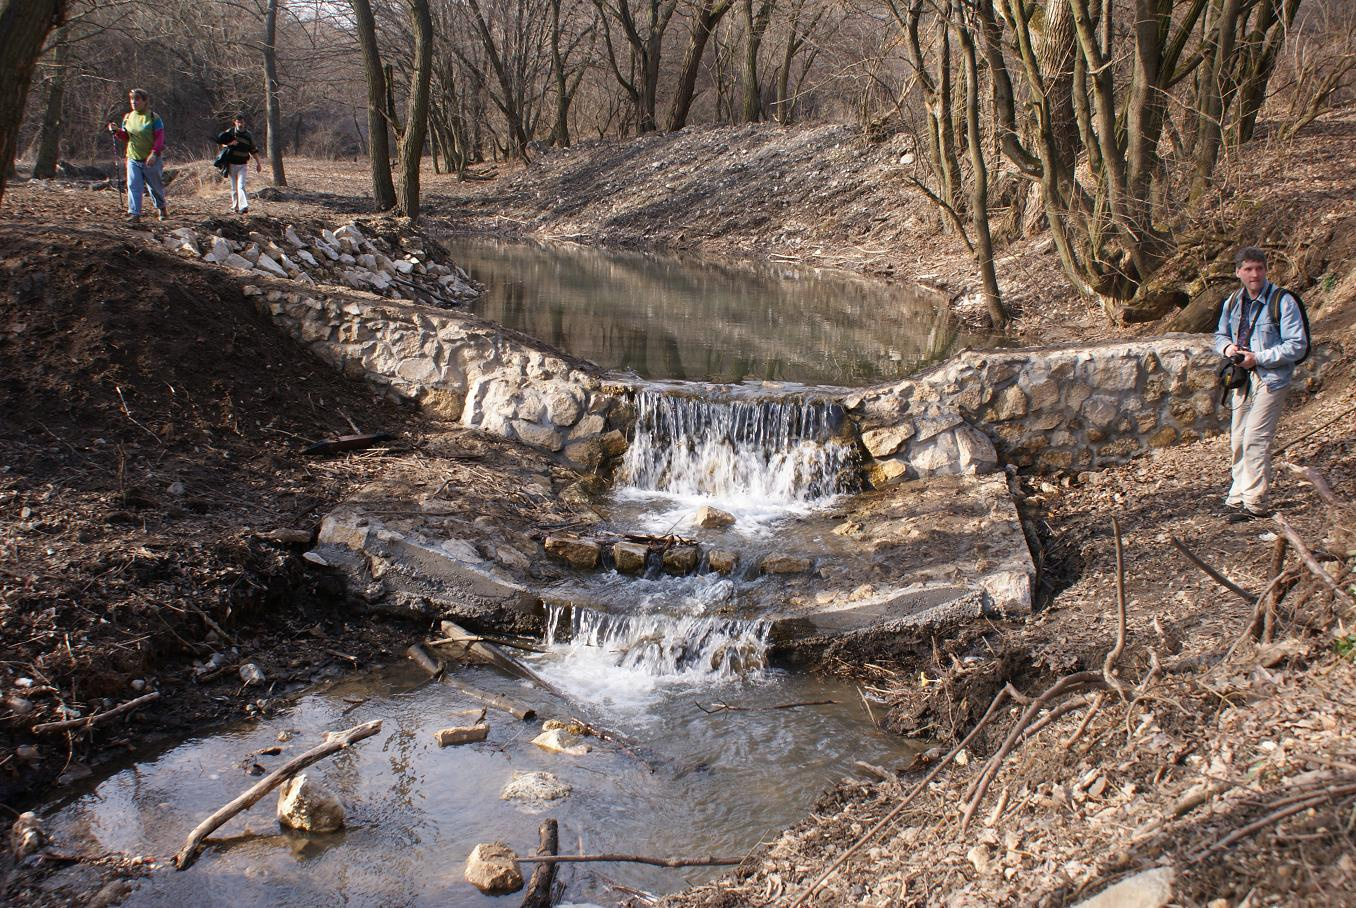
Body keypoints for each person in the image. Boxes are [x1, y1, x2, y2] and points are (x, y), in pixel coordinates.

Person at [1212, 246, 1307, 522]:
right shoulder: (1232, 302)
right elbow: (1219, 335)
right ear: (1238, 272)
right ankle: (1238, 495)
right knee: (1238, 437)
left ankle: (1255, 501)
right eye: (1249, 269)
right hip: (1242, 378)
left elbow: (1297, 346)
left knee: (1256, 437)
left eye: (1259, 269)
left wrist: (1259, 358)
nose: (1254, 274)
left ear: (1265, 270)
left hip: (1272, 378)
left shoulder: (1283, 301)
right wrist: (1229, 349)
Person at [107, 88, 167, 224]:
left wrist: (154, 153)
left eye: (137, 99)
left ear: (145, 101)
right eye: (132, 99)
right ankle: (135, 214)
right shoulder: (128, 117)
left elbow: (159, 138)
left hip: (150, 158)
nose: (134, 102)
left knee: (154, 186)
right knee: (133, 185)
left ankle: (161, 208)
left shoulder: (153, 117)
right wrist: (116, 131)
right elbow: (126, 136)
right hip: (133, 157)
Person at [215, 113, 262, 216]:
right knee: (234, 187)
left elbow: (253, 150)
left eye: (242, 122)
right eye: (238, 122)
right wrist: (229, 144)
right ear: (235, 122)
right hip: (231, 164)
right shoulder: (230, 132)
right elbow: (221, 142)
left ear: (244, 122)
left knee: (241, 186)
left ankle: (244, 206)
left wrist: (258, 163)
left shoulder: (248, 135)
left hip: (243, 165)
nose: (240, 124)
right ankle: (235, 207)